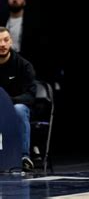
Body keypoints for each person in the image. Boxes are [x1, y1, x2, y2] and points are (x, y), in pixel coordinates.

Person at [0, 26, 36, 171]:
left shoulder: (23, 65)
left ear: (11, 42)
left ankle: (23, 157)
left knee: (19, 109)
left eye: (5, 40)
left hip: (16, 107)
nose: (2, 44)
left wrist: (8, 103)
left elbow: (30, 95)